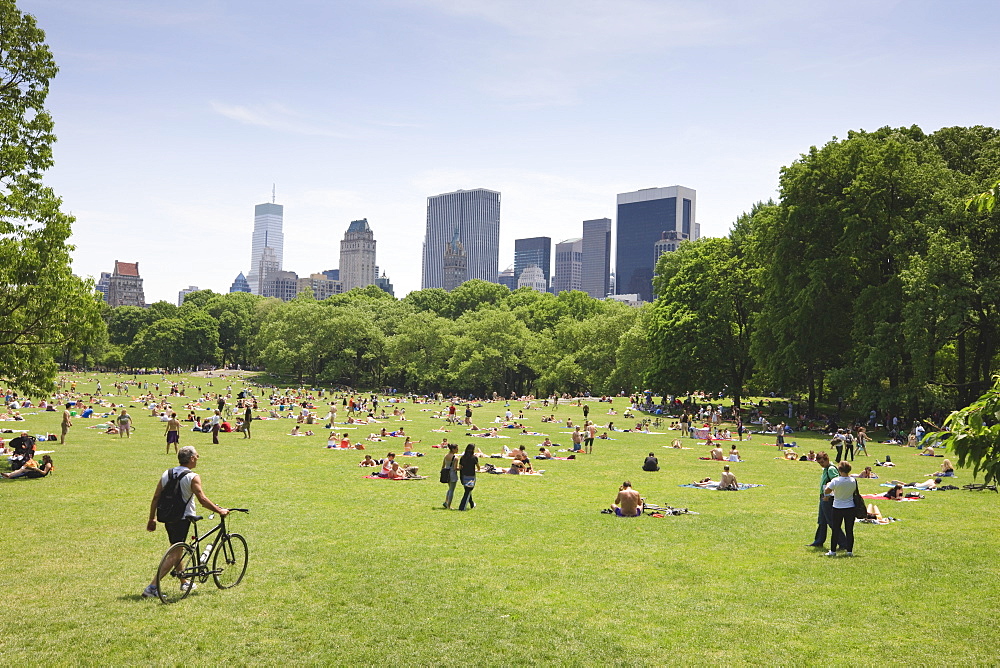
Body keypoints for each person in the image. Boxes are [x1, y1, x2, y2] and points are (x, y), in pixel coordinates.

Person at [143, 446, 228, 598]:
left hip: (167, 516)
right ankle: (152, 587)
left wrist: (152, 518)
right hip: (183, 518)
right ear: (191, 458)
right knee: (175, 554)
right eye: (197, 456)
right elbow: (202, 499)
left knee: (177, 548)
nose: (198, 458)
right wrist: (219, 510)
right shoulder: (193, 476)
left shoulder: (166, 473)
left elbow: (156, 497)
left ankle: (184, 581)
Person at [824, 461, 858, 556]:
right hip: (850, 507)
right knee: (849, 530)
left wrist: (828, 485)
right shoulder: (853, 480)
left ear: (839, 470)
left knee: (836, 529)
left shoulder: (836, 480)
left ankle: (833, 551)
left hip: (838, 507)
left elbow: (827, 490)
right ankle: (849, 551)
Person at [807, 452, 840, 549]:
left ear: (827, 459)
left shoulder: (831, 469)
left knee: (831, 521)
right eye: (819, 463)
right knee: (822, 520)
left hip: (828, 498)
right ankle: (818, 541)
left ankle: (843, 543)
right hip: (823, 497)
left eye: (822, 462)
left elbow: (835, 483)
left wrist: (828, 495)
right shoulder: (826, 468)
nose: (821, 464)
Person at [458, 444, 479, 511]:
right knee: (468, 491)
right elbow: (478, 467)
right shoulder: (474, 458)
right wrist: (477, 469)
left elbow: (460, 467)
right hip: (471, 476)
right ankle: (462, 507)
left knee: (467, 490)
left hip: (464, 475)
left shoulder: (463, 458)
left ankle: (472, 504)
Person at [441, 443, 459, 508]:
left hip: (447, 474)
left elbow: (443, 466)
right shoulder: (455, 458)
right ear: (453, 449)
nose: (457, 450)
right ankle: (449, 505)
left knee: (449, 489)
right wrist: (461, 468)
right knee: (452, 490)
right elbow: (455, 468)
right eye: (456, 449)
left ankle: (446, 502)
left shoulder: (446, 456)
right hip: (453, 474)